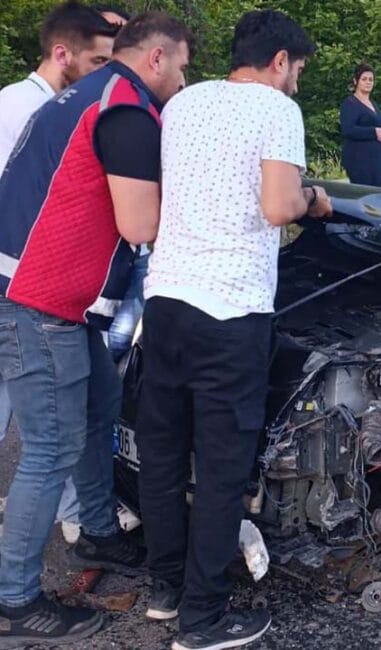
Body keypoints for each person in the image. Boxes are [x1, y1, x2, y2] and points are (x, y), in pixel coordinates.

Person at [137, 10, 331, 650]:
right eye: (297, 70)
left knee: (164, 456)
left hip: (166, 302)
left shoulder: (184, 103)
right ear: (279, 61)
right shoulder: (277, 109)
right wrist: (314, 200)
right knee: (221, 470)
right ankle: (203, 621)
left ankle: (166, 591)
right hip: (231, 312)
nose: (296, 82)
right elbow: (278, 206)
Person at [0, 11, 193, 647]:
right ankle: (15, 602)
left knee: (97, 410)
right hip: (36, 300)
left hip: (60, 300)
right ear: (157, 58)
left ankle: (100, 534)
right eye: (182, 66)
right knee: (49, 449)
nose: (183, 80)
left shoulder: (84, 94)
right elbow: (141, 226)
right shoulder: (125, 108)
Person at [0, 1, 118, 545]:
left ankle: (87, 520)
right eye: (99, 63)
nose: (106, 76)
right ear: (63, 53)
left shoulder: (60, 105)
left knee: (79, 412)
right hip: (23, 286)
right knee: (42, 437)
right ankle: (22, 574)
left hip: (50, 290)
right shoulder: (19, 107)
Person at [340, 63, 381, 186]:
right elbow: (348, 129)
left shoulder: (373, 103)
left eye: (371, 79)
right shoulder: (350, 103)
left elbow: (379, 125)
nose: (368, 82)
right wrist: (374, 132)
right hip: (359, 161)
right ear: (356, 81)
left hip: (377, 160)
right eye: (364, 79)